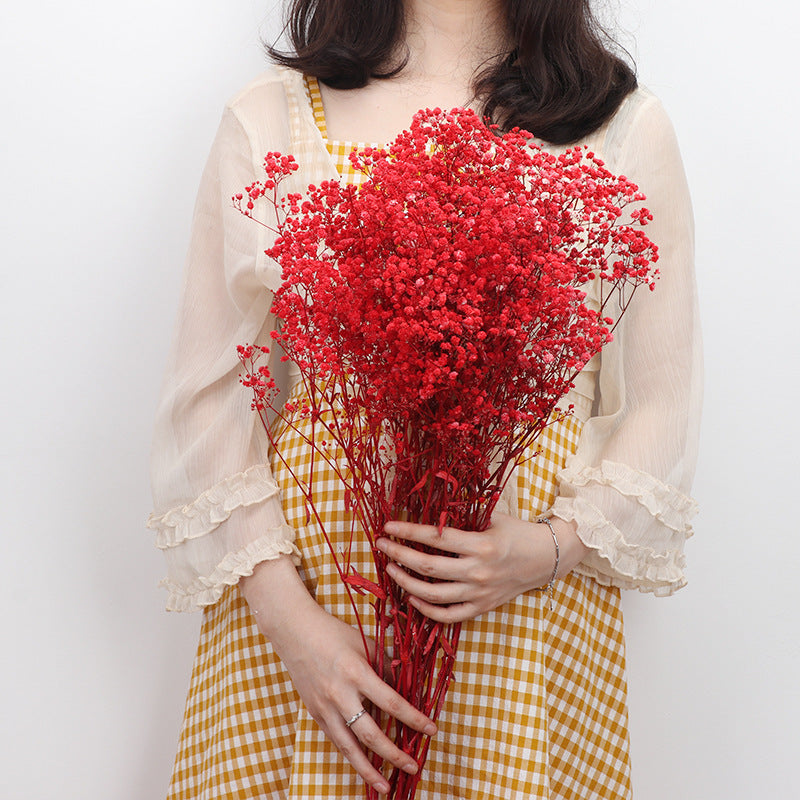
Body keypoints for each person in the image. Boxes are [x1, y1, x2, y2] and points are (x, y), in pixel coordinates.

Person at [148, 1, 702, 798]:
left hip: (523, 616)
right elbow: (207, 399)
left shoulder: (623, 130)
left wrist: (548, 550)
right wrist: (295, 627)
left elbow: (663, 402)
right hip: (305, 610)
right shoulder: (271, 117)